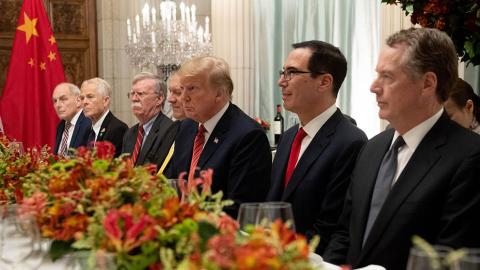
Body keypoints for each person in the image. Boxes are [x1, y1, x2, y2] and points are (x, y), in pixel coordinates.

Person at [323, 28, 480, 270]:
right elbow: (345, 233)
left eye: (387, 76)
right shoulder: (372, 148)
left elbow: (452, 259)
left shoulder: (469, 157)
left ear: (427, 84)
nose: (374, 87)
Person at [266, 40, 367, 253]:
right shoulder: (288, 137)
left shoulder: (351, 142)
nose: (281, 82)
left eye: (291, 73)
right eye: (282, 72)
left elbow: (331, 227)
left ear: (324, 82)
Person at [167, 56, 272, 217]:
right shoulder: (187, 127)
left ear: (219, 94)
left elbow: (239, 208)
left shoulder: (248, 136)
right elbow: (173, 183)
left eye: (192, 88)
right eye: (183, 89)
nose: (183, 97)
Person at [121, 72, 175, 168]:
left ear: (159, 99)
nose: (134, 98)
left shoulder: (169, 130)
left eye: (140, 94)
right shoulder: (130, 133)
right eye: (132, 94)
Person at [80, 77, 128, 157]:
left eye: (90, 97)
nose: (84, 102)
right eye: (82, 98)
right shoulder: (87, 130)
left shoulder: (118, 129)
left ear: (105, 101)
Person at [52, 82, 91, 156]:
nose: (58, 105)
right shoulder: (61, 126)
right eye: (55, 101)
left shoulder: (89, 124)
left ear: (78, 101)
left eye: (63, 99)